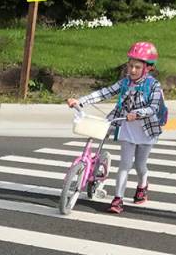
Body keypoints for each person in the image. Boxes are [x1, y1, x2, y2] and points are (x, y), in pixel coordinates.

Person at [67, 42, 166, 214]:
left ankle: (142, 185)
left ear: (148, 68)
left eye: (137, 67)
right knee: (125, 165)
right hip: (127, 128)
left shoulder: (154, 86)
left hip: (146, 130)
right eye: (130, 66)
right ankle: (118, 199)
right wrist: (80, 100)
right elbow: (104, 92)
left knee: (140, 165)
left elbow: (154, 108)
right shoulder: (125, 82)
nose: (132, 70)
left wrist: (137, 113)